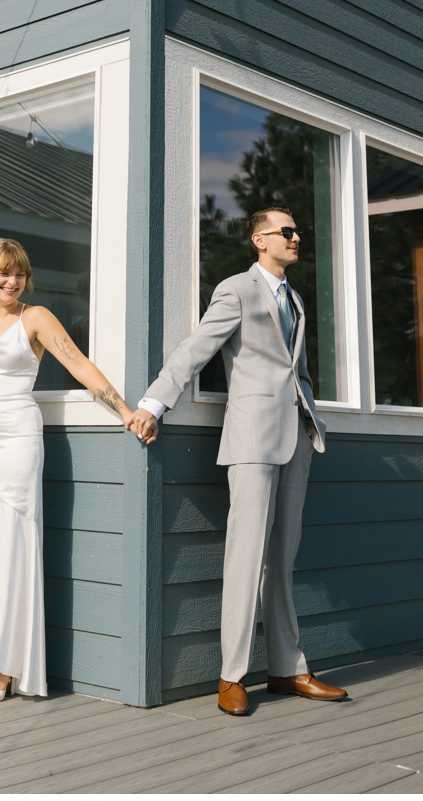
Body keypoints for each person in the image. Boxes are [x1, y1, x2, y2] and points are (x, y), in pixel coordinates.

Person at [127, 207, 345, 714]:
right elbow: (196, 348)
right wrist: (154, 402)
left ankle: (289, 669)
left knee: (281, 561)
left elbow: (301, 372)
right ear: (258, 239)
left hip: (297, 438)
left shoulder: (295, 297)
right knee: (245, 558)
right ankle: (232, 677)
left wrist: (313, 418)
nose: (296, 237)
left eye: (298, 230)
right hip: (251, 438)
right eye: (286, 231)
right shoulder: (237, 289)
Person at [0, 238, 143, 702]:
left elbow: (78, 364)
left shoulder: (36, 318)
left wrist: (124, 410)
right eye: (4, 272)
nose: (13, 281)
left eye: (20, 273)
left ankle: (3, 667)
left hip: (15, 443)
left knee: (8, 549)